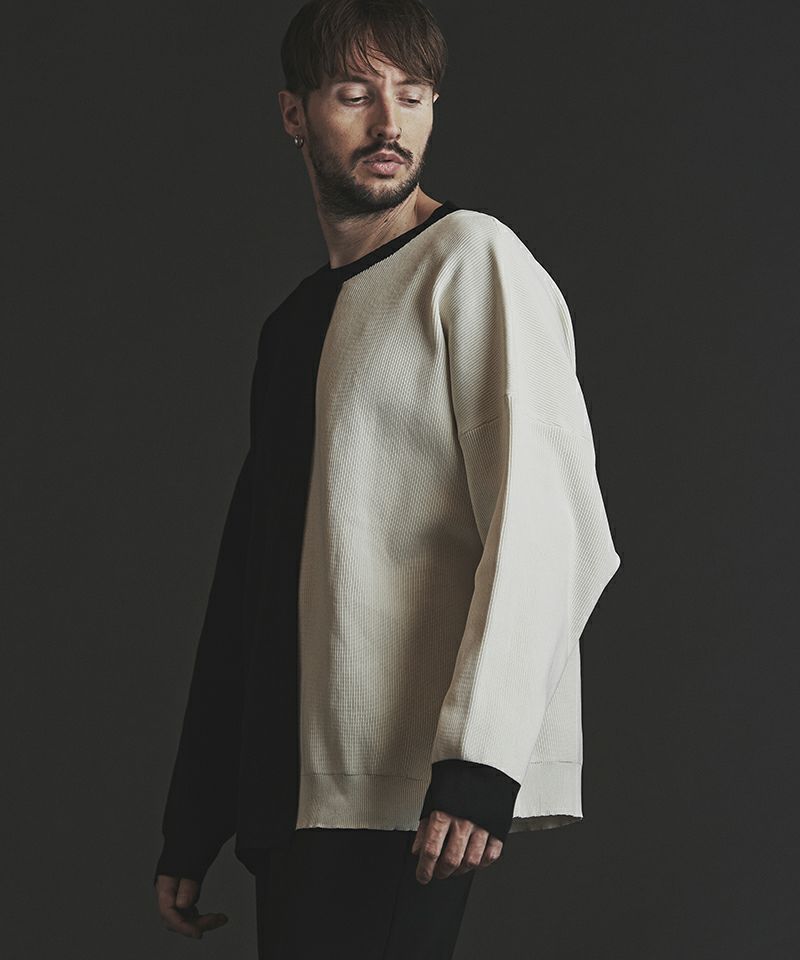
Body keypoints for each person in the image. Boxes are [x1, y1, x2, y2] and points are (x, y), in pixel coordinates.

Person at [153, 1, 622, 956]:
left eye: (412, 95)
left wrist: (482, 761)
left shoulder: (472, 261)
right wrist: (197, 812)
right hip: (295, 794)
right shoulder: (294, 325)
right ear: (294, 113)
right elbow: (255, 575)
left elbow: (548, 524)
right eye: (354, 94)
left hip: (409, 795)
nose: (388, 123)